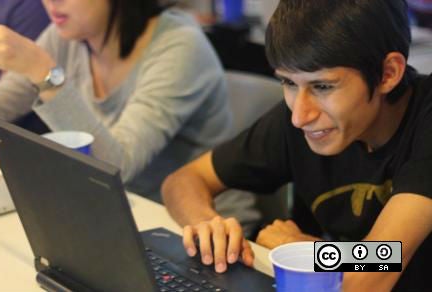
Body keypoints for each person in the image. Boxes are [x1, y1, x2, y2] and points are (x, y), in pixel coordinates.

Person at [161, 0, 432, 291]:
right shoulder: (307, 116)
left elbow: (377, 268)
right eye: (288, 83)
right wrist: (209, 225)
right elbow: (183, 181)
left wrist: (304, 252)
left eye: (323, 86)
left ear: (388, 74)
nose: (300, 117)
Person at [0, 0, 232, 202]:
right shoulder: (67, 35)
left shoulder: (180, 48)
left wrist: (44, 73)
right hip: (109, 211)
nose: (51, 3)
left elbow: (117, 168)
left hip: (196, 228)